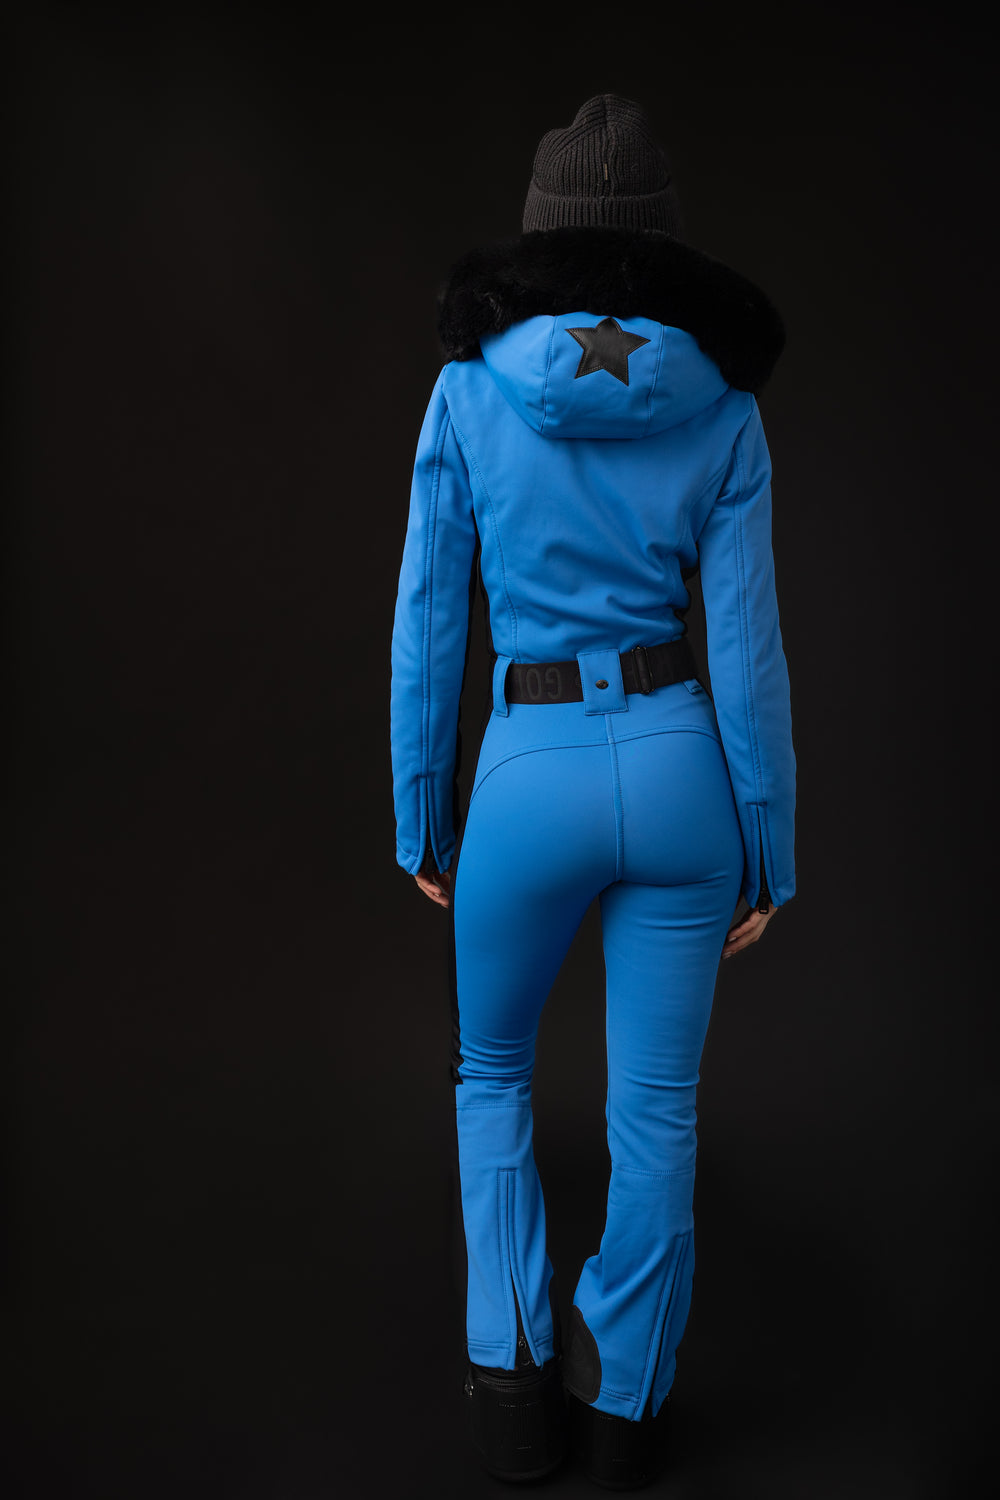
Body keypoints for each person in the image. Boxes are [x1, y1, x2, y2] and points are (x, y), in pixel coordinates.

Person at [389, 94, 795, 1490]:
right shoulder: (724, 408)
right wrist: (768, 845)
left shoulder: (467, 392)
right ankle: (626, 1407)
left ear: (540, 240)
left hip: (527, 771)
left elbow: (429, 620)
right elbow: (747, 649)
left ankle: (512, 1394)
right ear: (657, 250)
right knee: (657, 1112)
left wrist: (421, 811)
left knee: (492, 1077)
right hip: (682, 771)